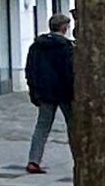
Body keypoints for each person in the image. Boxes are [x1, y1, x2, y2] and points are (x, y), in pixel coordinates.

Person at [23, 13, 77, 173]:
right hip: (65, 93)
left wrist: (34, 91)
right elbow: (70, 72)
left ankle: (34, 160)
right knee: (73, 126)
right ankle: (79, 159)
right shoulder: (67, 47)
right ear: (64, 27)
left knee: (42, 126)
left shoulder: (36, 46)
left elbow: (30, 70)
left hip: (44, 93)